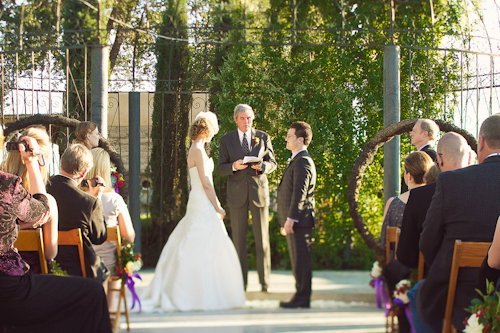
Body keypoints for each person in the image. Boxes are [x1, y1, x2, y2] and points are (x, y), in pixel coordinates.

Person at [0, 131, 112, 333]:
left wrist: (15, 227)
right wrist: (32, 162)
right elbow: (49, 250)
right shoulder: (8, 187)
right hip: (12, 289)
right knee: (93, 291)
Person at [140, 111, 245, 311]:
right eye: (212, 131)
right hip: (202, 200)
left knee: (205, 242)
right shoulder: (197, 150)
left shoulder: (197, 149)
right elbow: (206, 183)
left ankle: (211, 292)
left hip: (200, 200)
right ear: (206, 131)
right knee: (199, 243)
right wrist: (218, 206)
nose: (213, 135)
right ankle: (195, 295)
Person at [415, 113, 500, 332]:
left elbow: (427, 242)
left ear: (480, 142)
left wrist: (447, 266)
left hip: (457, 294)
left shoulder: (452, 181)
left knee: (418, 296)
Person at [217, 104, 277, 292]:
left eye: (249, 118)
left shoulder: (263, 137)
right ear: (235, 119)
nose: (246, 122)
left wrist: (264, 168)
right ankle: (240, 283)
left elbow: (273, 162)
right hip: (236, 195)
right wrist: (234, 166)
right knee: (239, 241)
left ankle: (264, 282)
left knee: (262, 240)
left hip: (259, 192)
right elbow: (220, 168)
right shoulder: (226, 140)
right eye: (242, 118)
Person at [397, 132, 472, 271]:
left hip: (438, 282)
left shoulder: (420, 196)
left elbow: (406, 254)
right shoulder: (484, 192)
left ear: (439, 159)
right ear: (469, 158)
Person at [82, 148, 135, 308]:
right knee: (114, 259)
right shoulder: (114, 199)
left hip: (82, 262)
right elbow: (129, 236)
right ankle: (109, 315)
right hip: (108, 265)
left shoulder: (78, 196)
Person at [46, 144, 108, 281]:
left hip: (44, 269)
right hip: (80, 274)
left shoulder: (42, 191)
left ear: (62, 162)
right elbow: (99, 237)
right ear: (84, 172)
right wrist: (96, 198)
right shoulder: (89, 202)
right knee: (102, 272)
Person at [2, 126, 59, 273]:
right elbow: (50, 253)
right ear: (42, 161)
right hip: (32, 279)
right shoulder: (49, 203)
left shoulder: (4, 193)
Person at [277, 121, 316, 308]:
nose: (286, 138)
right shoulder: (297, 160)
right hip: (295, 221)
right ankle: (300, 296)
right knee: (297, 259)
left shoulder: (303, 162)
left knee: (301, 260)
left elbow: (300, 194)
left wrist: (291, 219)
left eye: (290, 136)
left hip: (300, 221)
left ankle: (302, 297)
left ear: (300, 140)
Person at [381, 151, 434, 247]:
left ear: (409, 176)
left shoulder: (392, 203)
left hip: (398, 260)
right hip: (427, 261)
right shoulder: (434, 203)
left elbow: (384, 241)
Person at [401, 119, 439, 193]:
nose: (411, 134)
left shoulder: (429, 155)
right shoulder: (429, 154)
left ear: (424, 134)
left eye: (414, 131)